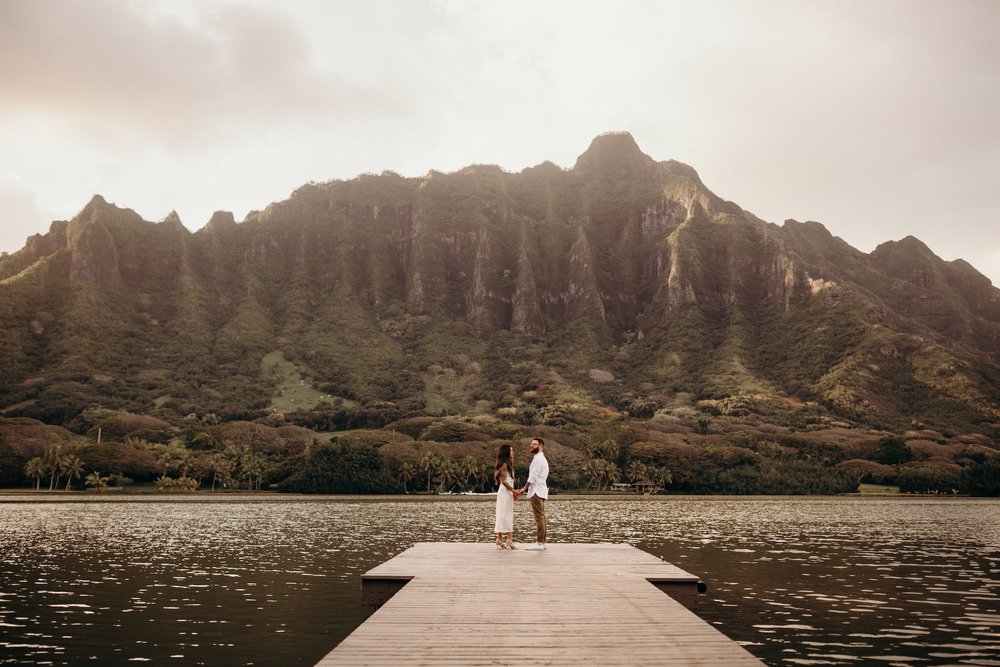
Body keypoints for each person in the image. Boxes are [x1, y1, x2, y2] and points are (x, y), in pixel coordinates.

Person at [518, 437, 548, 550]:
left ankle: (540, 543)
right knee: (542, 517)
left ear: (540, 446)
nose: (531, 446)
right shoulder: (541, 458)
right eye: (531, 444)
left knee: (539, 517)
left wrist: (523, 489)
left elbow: (533, 476)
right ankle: (543, 542)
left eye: (534, 444)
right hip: (540, 490)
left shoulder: (538, 459)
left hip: (536, 491)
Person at [494, 444, 520, 550]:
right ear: (506, 452)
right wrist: (514, 491)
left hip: (506, 493)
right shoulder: (504, 464)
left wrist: (512, 493)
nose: (513, 452)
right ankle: (509, 540)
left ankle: (499, 540)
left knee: (502, 514)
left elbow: (507, 481)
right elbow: (504, 481)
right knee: (506, 515)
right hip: (504, 493)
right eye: (511, 451)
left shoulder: (506, 464)